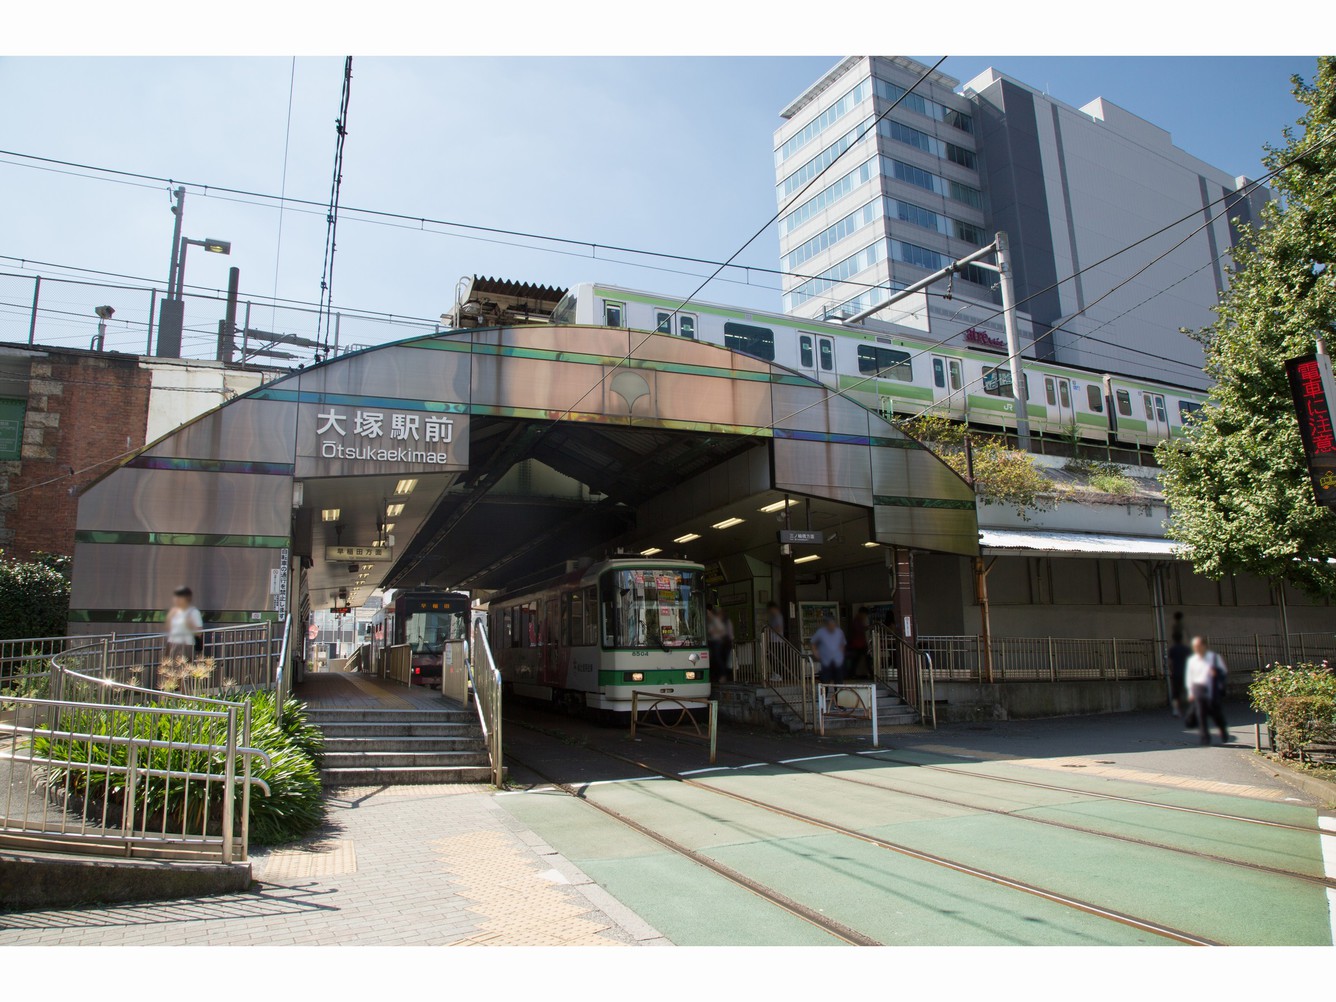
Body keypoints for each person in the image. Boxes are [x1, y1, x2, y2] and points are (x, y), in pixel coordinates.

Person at [1185, 636, 1230, 745]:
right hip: (1198, 688)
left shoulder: (1214, 657)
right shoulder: (1192, 660)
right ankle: (1205, 737)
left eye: (1199, 646)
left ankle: (1223, 731)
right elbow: (1189, 676)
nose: (1197, 648)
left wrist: (1217, 675)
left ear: (1204, 646)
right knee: (1201, 714)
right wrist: (1190, 692)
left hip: (1212, 688)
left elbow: (1223, 672)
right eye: (1195, 646)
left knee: (1216, 713)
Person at [164, 586, 203, 662]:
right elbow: (168, 628)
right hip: (172, 643)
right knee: (169, 669)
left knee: (181, 669)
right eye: (176, 597)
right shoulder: (174, 611)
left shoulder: (193, 612)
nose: (176, 600)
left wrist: (189, 624)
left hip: (186, 644)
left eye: (179, 597)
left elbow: (199, 633)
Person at [809, 613, 847, 685]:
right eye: (830, 625)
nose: (832, 627)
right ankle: (824, 695)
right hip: (826, 661)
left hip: (837, 660)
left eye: (833, 625)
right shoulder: (821, 632)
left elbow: (843, 644)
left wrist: (841, 655)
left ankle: (838, 695)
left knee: (838, 681)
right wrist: (816, 653)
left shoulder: (839, 632)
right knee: (825, 681)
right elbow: (813, 643)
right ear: (827, 625)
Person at [1167, 632, 1191, 718]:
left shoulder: (1173, 649)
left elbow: (1169, 662)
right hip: (1185, 673)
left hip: (1176, 673)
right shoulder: (1186, 649)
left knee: (1176, 693)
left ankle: (1176, 710)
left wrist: (1171, 671)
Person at [846, 609, 870, 679]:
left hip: (858, 644)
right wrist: (867, 627)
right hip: (858, 644)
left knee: (856, 660)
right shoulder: (857, 621)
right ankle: (871, 672)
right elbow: (860, 630)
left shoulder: (857, 620)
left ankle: (851, 674)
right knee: (862, 659)